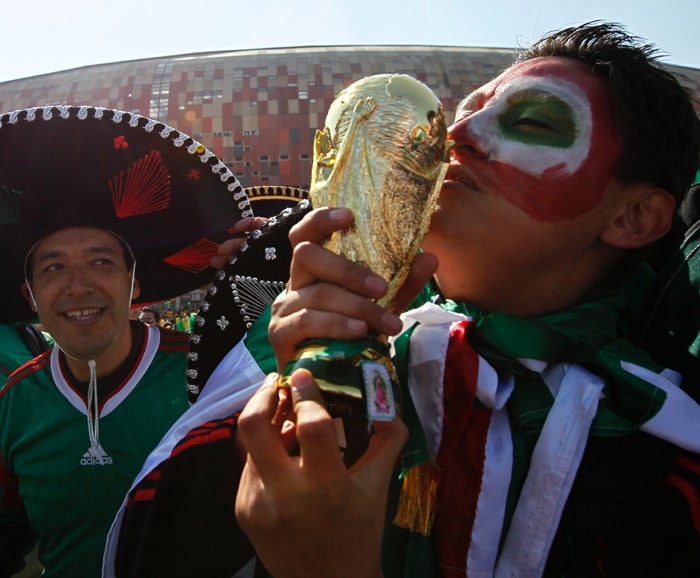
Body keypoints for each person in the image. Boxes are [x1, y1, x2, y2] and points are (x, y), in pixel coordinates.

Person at [104, 22, 700, 578]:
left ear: (635, 216)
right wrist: (281, 405)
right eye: (463, 113)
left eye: (536, 124)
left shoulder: (666, 444)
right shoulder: (302, 341)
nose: (457, 136)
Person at [0, 105, 252, 578]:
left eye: (101, 263)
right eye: (54, 268)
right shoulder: (15, 399)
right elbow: (9, 525)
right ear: (29, 296)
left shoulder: (209, 373)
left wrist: (267, 287)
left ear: (136, 286)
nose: (78, 287)